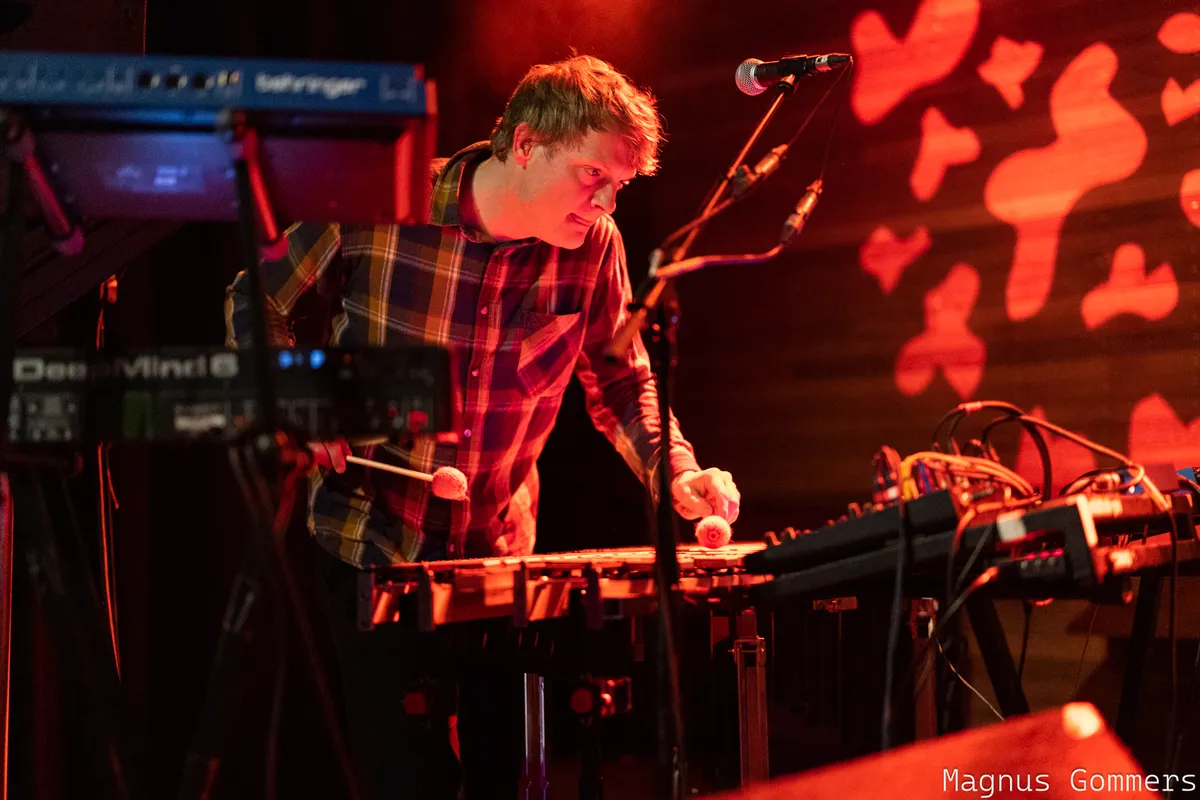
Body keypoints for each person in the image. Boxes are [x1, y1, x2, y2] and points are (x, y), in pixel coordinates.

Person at [225, 54, 741, 799]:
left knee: (511, 782)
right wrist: (298, 398)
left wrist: (678, 471)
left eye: (619, 186)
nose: (606, 204)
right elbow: (256, 298)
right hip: (372, 541)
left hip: (499, 554)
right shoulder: (378, 198)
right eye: (594, 175)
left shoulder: (595, 246)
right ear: (526, 144)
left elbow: (623, 381)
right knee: (409, 785)